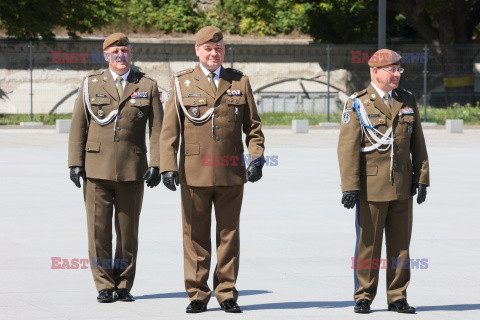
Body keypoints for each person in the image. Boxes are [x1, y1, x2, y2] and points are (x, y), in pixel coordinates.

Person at [160, 26, 265, 313]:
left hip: (231, 172)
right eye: (208, 49)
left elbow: (253, 128)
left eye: (218, 49)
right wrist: (167, 166)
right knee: (195, 235)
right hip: (194, 172)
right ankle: (197, 293)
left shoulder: (239, 82)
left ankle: (227, 292)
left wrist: (256, 157)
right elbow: (169, 132)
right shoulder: (182, 83)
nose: (214, 54)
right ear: (197, 51)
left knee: (229, 234)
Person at [68, 33, 163, 303]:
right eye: (114, 51)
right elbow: (79, 125)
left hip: (133, 170)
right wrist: (75, 163)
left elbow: (157, 130)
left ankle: (123, 284)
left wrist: (157, 163)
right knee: (98, 232)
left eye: (124, 50)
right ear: (106, 56)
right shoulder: (90, 84)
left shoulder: (147, 85)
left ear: (131, 53)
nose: (120, 55)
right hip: (95, 170)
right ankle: (103, 285)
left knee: (128, 232)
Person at [337, 49, 429, 314]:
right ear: (375, 72)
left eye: (399, 70)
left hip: (402, 185)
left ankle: (397, 296)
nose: (398, 74)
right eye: (392, 70)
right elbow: (347, 148)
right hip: (371, 186)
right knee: (369, 245)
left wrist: (422, 178)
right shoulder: (357, 102)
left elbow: (418, 143)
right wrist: (350, 186)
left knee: (401, 245)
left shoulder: (407, 99)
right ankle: (364, 295)